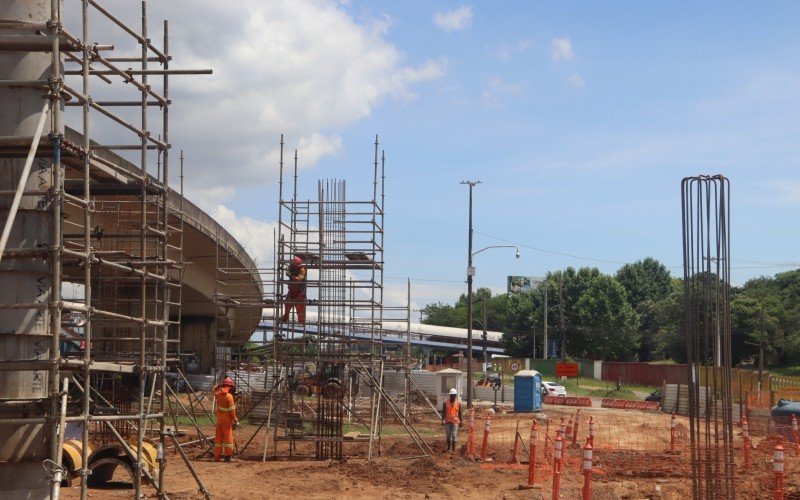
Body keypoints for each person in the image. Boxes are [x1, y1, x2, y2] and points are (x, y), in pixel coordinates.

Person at [213, 377, 238, 462]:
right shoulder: (229, 396)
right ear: (231, 387)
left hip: (219, 420)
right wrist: (235, 420)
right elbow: (231, 410)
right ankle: (227, 457)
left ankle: (217, 458)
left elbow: (214, 389)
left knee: (218, 440)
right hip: (227, 421)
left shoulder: (218, 394)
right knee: (228, 440)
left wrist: (218, 386)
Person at [280, 256, 307, 324]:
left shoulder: (302, 270)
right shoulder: (291, 266)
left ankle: (301, 322)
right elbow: (287, 272)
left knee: (300, 308)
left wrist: (291, 275)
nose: (297, 267)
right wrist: (288, 272)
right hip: (291, 290)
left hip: (299, 291)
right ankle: (284, 319)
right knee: (287, 305)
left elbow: (299, 279)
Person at [441, 388, 463, 453]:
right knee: (448, 436)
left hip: (455, 422)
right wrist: (442, 420)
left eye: (454, 395)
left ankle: (453, 449)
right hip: (447, 422)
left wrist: (461, 421)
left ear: (455, 395)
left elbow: (460, 413)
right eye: (451, 395)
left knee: (454, 435)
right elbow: (443, 412)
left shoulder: (458, 403)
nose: (453, 396)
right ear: (450, 395)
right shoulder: (445, 403)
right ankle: (448, 447)